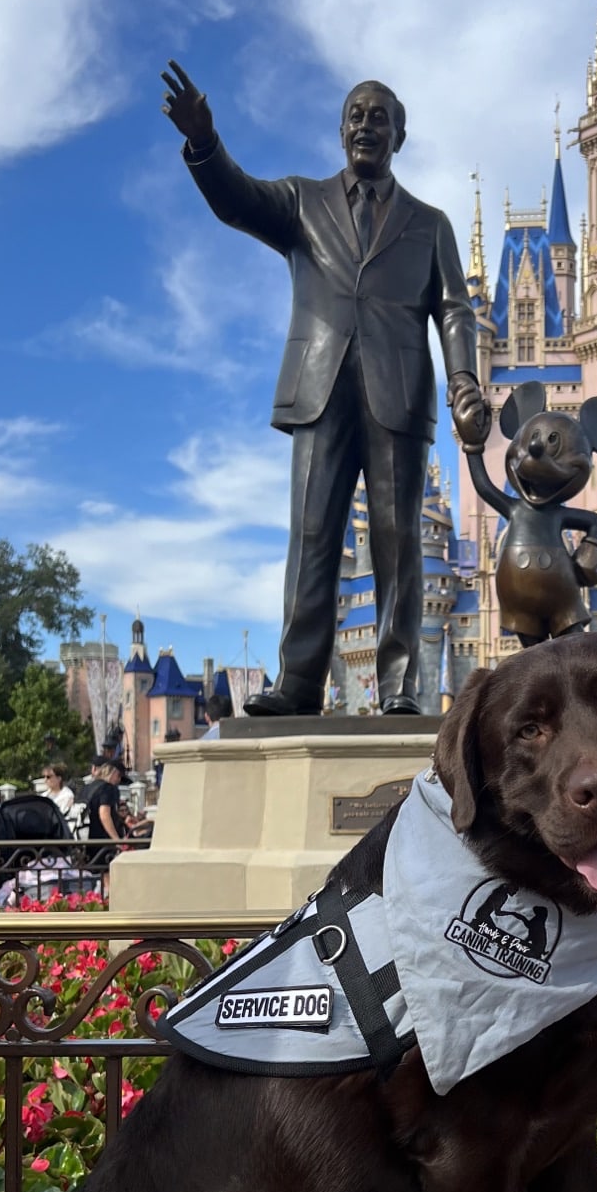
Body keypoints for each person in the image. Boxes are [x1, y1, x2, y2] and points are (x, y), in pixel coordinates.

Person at [163, 65, 488, 716]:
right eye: (355, 115)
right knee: (314, 535)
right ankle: (301, 682)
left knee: (399, 541)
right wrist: (205, 143)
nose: (366, 124)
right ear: (342, 131)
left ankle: (399, 687)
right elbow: (237, 200)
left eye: (379, 116)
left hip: (399, 392)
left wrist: (463, 383)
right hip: (319, 387)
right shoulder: (303, 202)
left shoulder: (430, 224)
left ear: (400, 134)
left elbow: (454, 307)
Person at [83, 755, 128, 871]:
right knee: (107, 879)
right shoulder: (107, 788)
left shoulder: (87, 788)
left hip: (85, 840)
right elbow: (104, 814)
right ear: (113, 773)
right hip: (103, 841)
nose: (118, 780)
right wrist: (116, 840)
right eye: (119, 776)